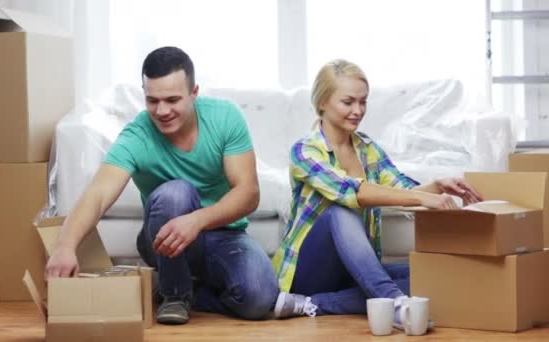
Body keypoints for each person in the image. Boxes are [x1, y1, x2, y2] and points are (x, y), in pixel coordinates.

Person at [45, 46, 281, 325]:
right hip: (163, 238)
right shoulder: (137, 135)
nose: (162, 110)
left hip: (223, 236)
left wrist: (196, 221)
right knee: (176, 192)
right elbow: (98, 194)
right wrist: (65, 246)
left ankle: (192, 293)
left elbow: (248, 193)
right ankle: (175, 294)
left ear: (194, 93)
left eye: (172, 99)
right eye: (152, 100)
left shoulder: (224, 118)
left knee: (259, 300)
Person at [271, 59, 483, 325]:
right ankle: (393, 303)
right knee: (340, 212)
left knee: (435, 275)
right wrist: (424, 197)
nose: (358, 110)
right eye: (348, 102)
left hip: (355, 271)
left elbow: (402, 190)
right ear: (322, 102)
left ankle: (312, 305)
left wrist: (436, 185)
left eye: (363, 102)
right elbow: (352, 192)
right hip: (310, 271)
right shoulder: (304, 151)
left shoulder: (368, 149)